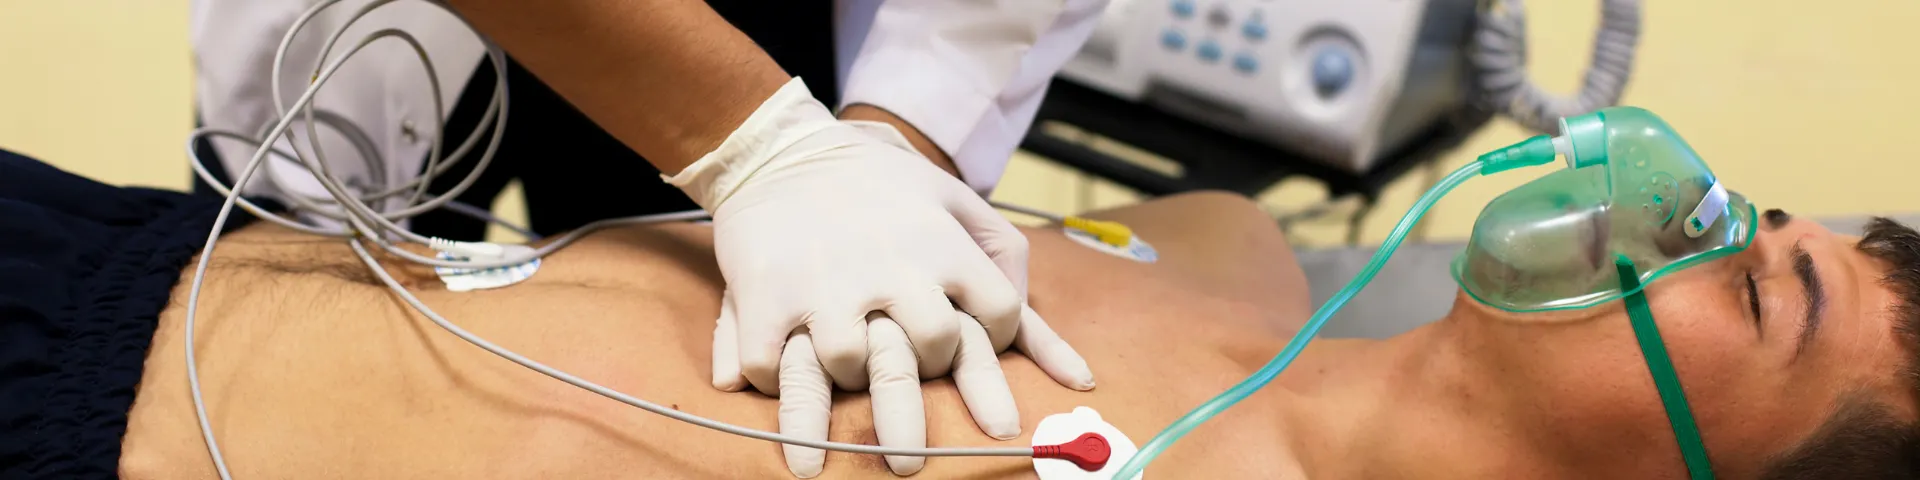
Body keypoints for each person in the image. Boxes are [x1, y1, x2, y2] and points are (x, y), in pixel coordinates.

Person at [3, 148, 1914, 478]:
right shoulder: (1223, 242)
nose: (1677, 220)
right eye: (1739, 214)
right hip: (125, 259)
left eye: (1754, 286)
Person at [186, 0, 1111, 464]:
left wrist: (893, 140)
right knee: (313, 353)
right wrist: (762, 147)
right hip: (393, 33)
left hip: (778, 35)